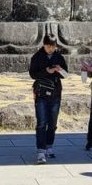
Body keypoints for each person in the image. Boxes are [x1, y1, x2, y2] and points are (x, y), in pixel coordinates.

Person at [29, 35, 66, 164]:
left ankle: (49, 146)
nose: (51, 49)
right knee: (41, 123)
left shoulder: (59, 57)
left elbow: (65, 75)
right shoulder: (37, 56)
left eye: (53, 46)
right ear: (44, 45)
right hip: (41, 93)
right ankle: (40, 151)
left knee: (53, 123)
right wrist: (46, 71)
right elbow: (32, 74)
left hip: (55, 93)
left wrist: (59, 70)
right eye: (48, 46)